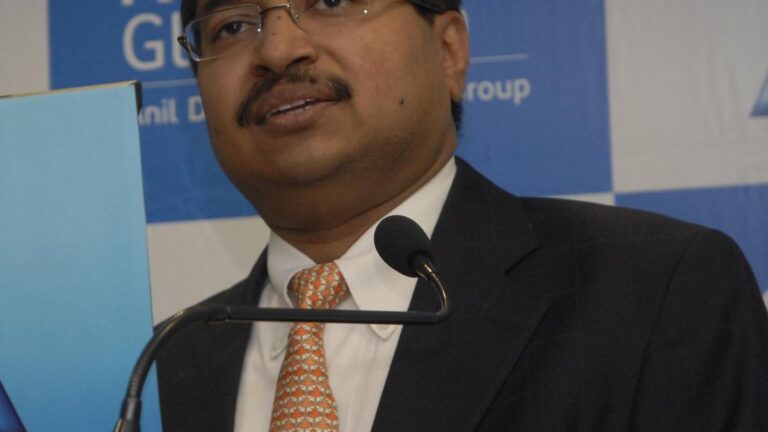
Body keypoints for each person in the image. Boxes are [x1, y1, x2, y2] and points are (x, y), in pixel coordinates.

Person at [157, 0, 768, 430]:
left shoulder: (652, 291)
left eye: (332, 1)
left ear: (448, 50)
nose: (277, 48)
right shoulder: (159, 368)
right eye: (232, 25)